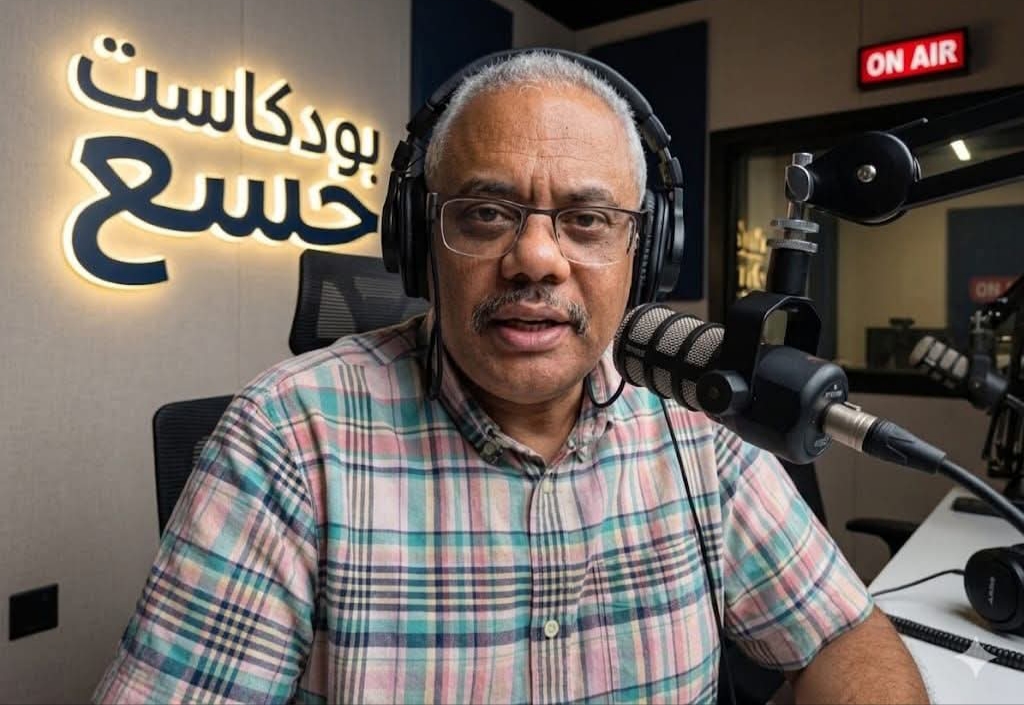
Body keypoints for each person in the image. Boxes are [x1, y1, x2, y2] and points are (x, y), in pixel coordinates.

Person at [94, 51, 927, 704]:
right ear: (420, 239)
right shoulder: (286, 437)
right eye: (487, 213)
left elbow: (841, 635)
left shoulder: (696, 421)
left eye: (587, 219)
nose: (535, 257)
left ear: (644, 258)